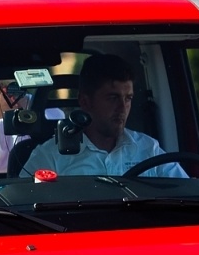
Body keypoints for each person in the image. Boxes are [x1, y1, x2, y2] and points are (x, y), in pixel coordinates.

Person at [19, 54, 188, 179]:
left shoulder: (148, 149)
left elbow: (186, 195)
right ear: (85, 101)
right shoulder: (50, 157)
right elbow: (24, 208)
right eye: (112, 98)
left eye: (128, 98)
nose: (122, 108)